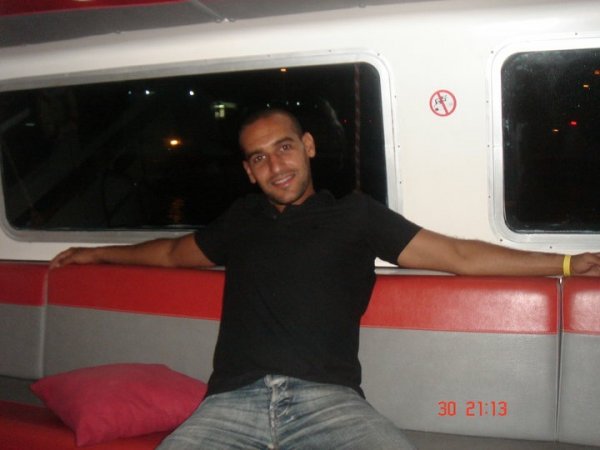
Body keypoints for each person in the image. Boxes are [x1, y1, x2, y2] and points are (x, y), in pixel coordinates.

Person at [51, 108, 600, 450]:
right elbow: (174, 253)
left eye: (284, 147)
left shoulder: (356, 215)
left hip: (329, 404)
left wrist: (567, 264)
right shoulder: (242, 219)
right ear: (248, 171)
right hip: (229, 404)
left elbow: (458, 254)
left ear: (309, 146)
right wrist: (97, 254)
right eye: (259, 158)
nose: (276, 166)